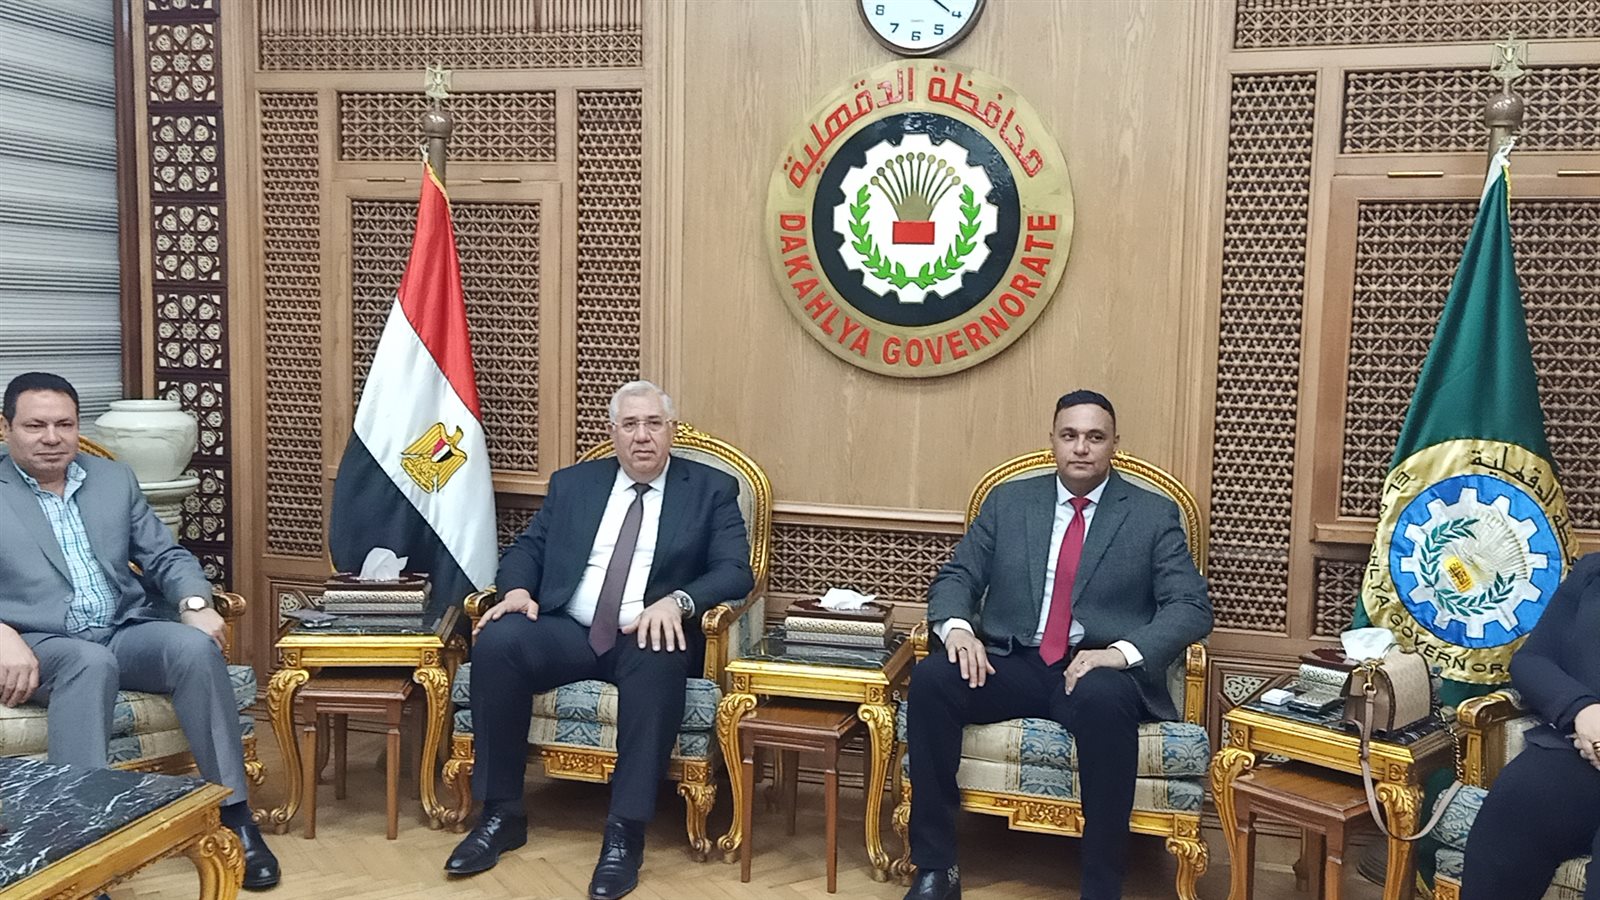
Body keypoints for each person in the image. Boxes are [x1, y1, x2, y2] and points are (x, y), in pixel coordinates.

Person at [445, 380, 753, 900]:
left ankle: (624, 834)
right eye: (630, 425)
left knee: (660, 659)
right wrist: (517, 591)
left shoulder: (710, 489)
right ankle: (501, 815)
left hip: (644, 631)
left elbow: (735, 571)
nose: (642, 436)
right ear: (613, 433)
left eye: (653, 424)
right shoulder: (574, 484)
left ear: (671, 430)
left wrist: (677, 602)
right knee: (498, 642)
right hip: (569, 627)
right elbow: (528, 549)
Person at [902, 389, 1212, 900]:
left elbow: (1190, 607)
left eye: (1095, 437)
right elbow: (958, 576)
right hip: (1014, 662)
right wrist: (957, 628)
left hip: (1095, 670)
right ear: (1052, 441)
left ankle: (1101, 886)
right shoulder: (1009, 502)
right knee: (934, 678)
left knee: (1105, 699)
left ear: (1115, 444)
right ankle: (936, 868)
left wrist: (1119, 654)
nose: (1081, 448)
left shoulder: (1152, 515)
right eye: (1070, 435)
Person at [0, 372, 279, 890]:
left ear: (78, 426)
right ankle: (77, 844)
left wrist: (194, 604)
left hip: (121, 629)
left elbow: (165, 555)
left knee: (192, 648)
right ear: (7, 427)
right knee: (88, 663)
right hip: (38, 644)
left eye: (64, 424)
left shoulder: (112, 479)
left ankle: (235, 818)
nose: (52, 437)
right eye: (35, 426)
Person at [1460, 552, 1600, 900]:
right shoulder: (1592, 572)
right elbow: (1532, 659)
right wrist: (1581, 708)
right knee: (1519, 803)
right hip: (1579, 752)